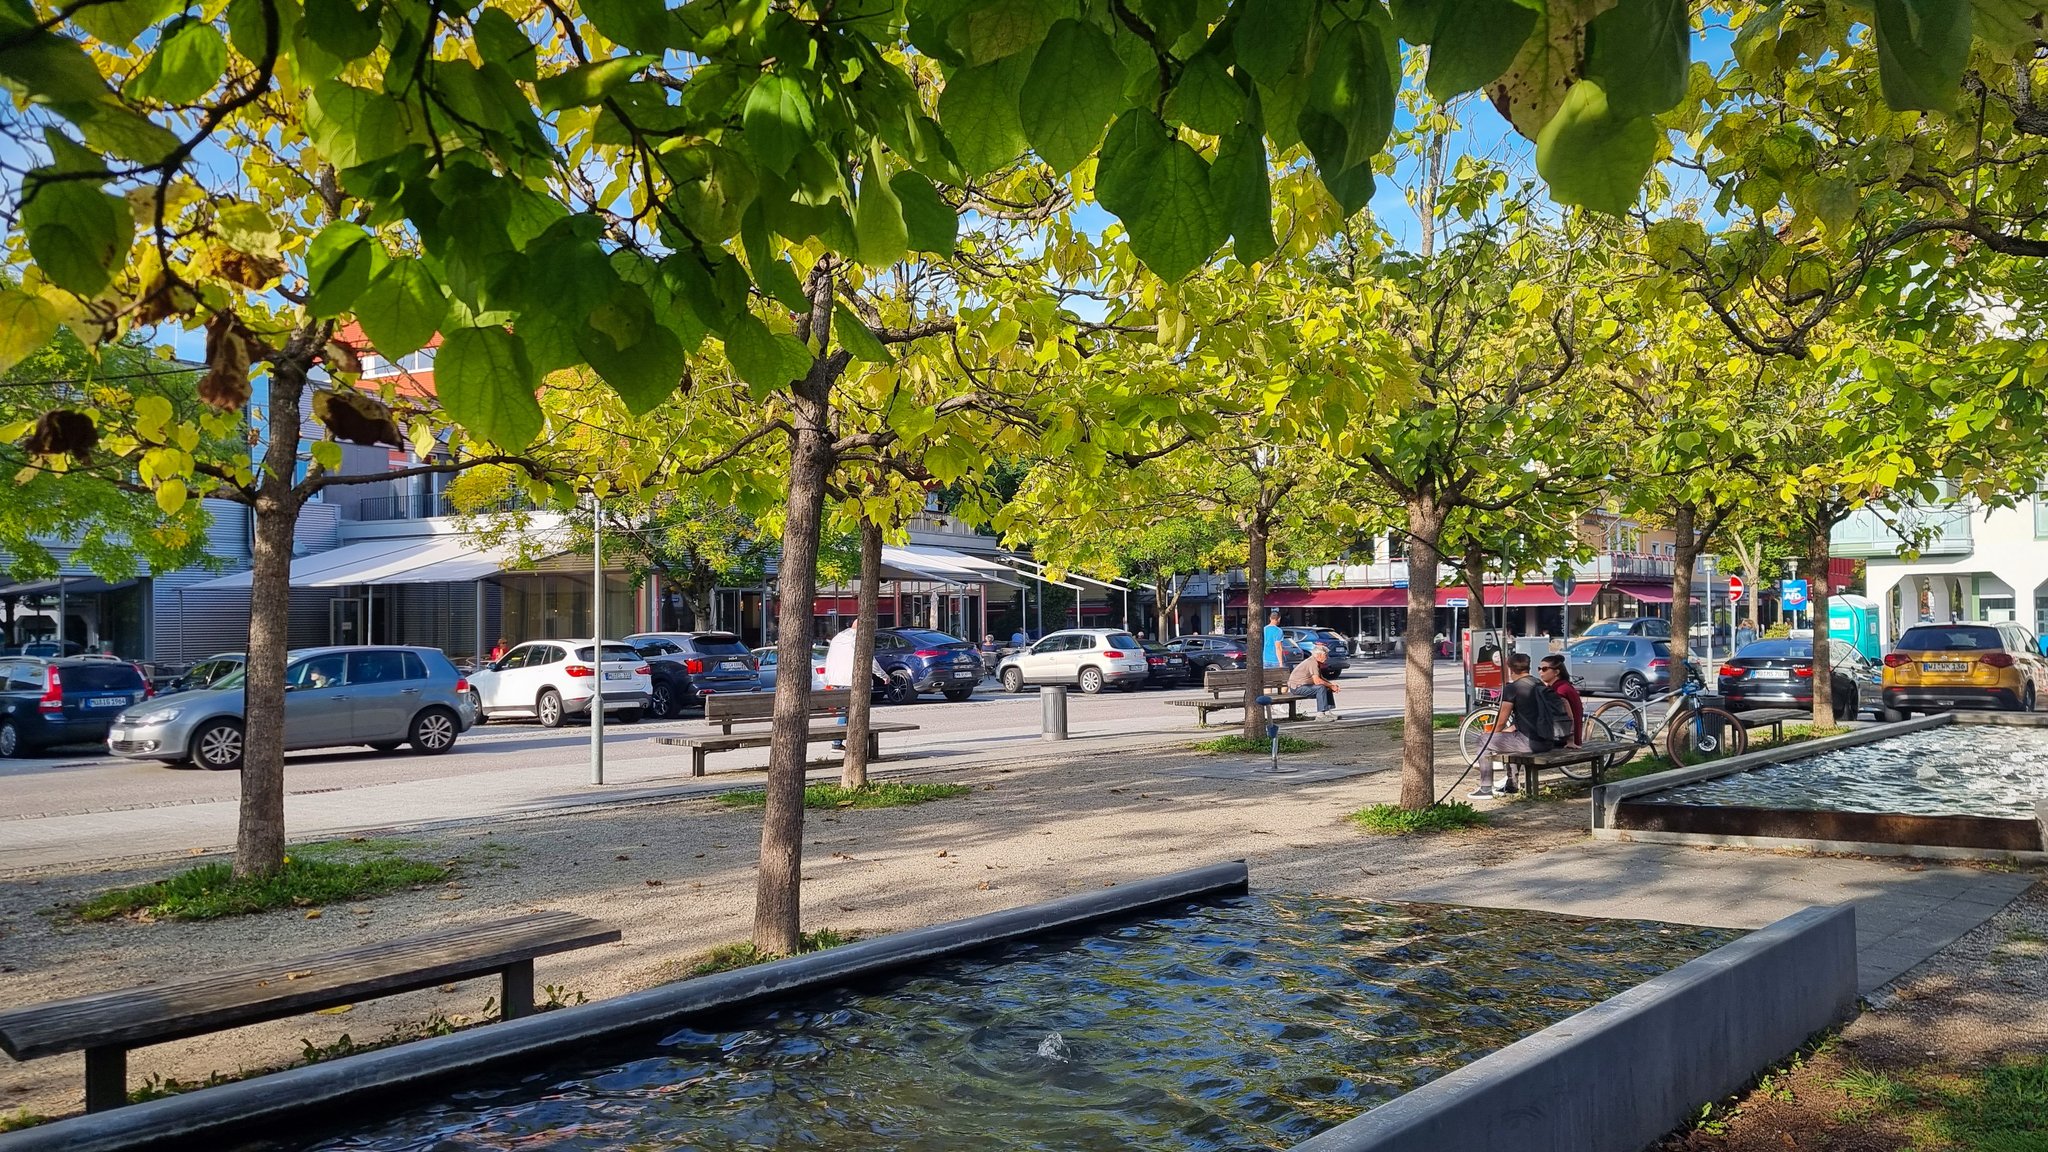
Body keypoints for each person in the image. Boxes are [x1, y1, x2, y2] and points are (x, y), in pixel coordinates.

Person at [1471, 653, 1558, 799]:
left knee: (1483, 741)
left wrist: (1489, 735)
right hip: (1548, 740)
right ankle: (1511, 785)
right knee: (1509, 739)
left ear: (1510, 669)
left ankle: (1485, 788)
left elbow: (1500, 721)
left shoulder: (1513, 688)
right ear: (1528, 666)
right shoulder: (1539, 684)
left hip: (1530, 743)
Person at [1287, 643, 1341, 720]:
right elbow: (1317, 681)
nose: (1327, 657)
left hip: (1305, 686)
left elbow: (1320, 677)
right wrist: (1331, 686)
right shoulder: (1312, 662)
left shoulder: (1316, 662)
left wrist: (1332, 685)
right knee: (1321, 688)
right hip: (1297, 688)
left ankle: (1327, 712)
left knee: (1327, 687)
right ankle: (1320, 715)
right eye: (1325, 655)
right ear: (1319, 655)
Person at [1538, 654, 1583, 747]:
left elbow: (1568, 716)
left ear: (1556, 672)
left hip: (1564, 739)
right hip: (1566, 736)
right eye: (1539, 668)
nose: (1540, 672)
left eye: (1544, 669)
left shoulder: (1560, 690)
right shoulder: (1561, 686)